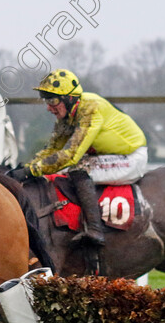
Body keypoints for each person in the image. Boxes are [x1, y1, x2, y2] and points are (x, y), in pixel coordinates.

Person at [8, 69, 147, 266]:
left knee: (76, 169)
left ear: (69, 98)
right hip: (108, 155)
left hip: (132, 157)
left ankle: (95, 230)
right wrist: (27, 168)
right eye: (46, 100)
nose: (49, 107)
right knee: (65, 170)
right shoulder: (69, 114)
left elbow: (71, 155)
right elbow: (52, 149)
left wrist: (32, 171)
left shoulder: (90, 108)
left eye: (53, 100)